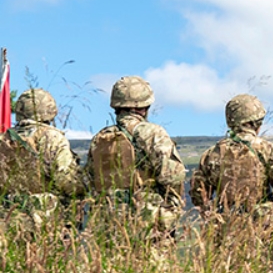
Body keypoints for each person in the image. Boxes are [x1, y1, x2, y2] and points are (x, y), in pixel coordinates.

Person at [190, 94, 273, 245]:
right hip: (262, 227)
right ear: (257, 123)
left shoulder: (213, 153)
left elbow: (198, 192)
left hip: (224, 228)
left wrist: (212, 214)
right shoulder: (268, 150)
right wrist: (271, 206)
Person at [85, 76, 186, 236]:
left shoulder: (100, 138)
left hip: (109, 223)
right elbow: (173, 176)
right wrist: (171, 208)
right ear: (144, 106)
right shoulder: (152, 133)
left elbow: (90, 179)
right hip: (147, 222)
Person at [0, 89, 83, 227]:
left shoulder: (3, 139)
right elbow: (66, 180)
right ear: (49, 110)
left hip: (5, 217)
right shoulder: (53, 137)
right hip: (42, 219)